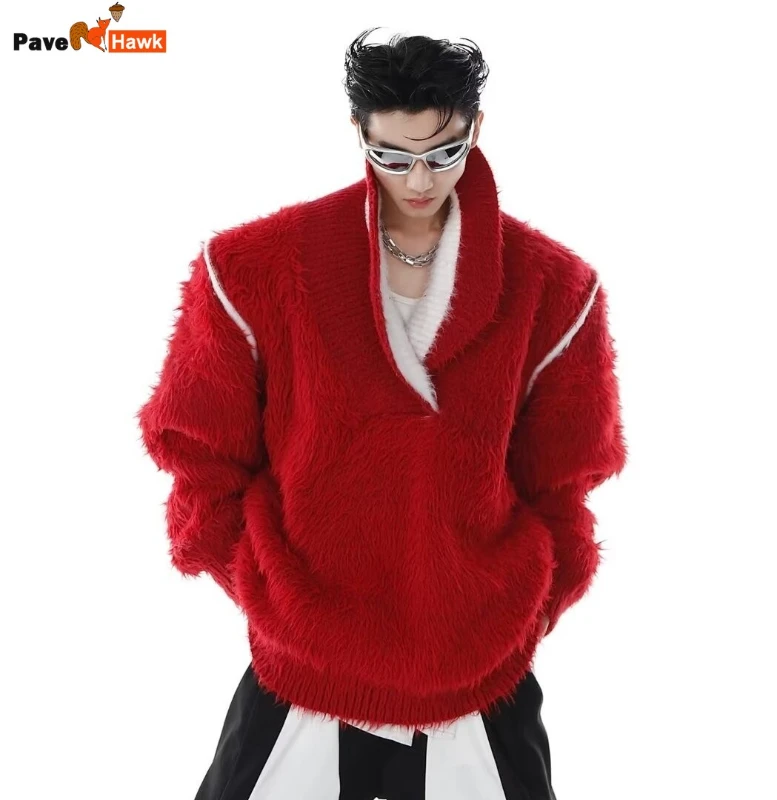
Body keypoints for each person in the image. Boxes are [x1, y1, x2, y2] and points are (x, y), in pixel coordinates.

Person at [137, 27, 627, 800]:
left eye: (444, 151)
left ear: (477, 126)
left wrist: (519, 613)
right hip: (300, 660)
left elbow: (564, 481)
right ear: (358, 131)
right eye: (392, 156)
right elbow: (200, 455)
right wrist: (267, 594)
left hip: (478, 666)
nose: (419, 178)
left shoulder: (555, 289)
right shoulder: (251, 268)